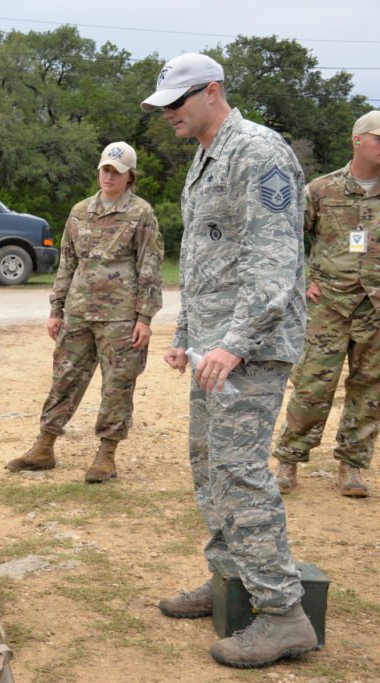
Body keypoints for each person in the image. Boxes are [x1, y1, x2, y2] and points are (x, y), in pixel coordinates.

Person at [141, 54, 318, 668]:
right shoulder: (207, 155)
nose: (168, 114)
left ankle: (282, 614)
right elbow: (203, 258)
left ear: (212, 91)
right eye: (163, 105)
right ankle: (229, 580)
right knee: (208, 465)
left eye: (177, 102)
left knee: (241, 473)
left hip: (251, 348)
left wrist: (234, 342)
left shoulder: (259, 152)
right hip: (213, 349)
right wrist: (187, 334)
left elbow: (274, 264)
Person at [5, 142, 163, 482]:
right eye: (105, 169)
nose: (109, 176)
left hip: (120, 317)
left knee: (117, 385)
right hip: (78, 313)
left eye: (117, 172)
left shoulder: (141, 214)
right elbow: (67, 263)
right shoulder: (79, 212)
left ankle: (106, 455)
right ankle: (44, 446)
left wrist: (145, 318)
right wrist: (56, 309)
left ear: (129, 176)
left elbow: (149, 266)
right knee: (64, 378)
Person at [271, 110, 380, 498]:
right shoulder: (322, 190)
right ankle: (288, 460)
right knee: (312, 386)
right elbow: (286, 238)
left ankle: (351, 467)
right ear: (358, 141)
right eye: (378, 139)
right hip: (329, 307)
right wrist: (301, 282)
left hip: (375, 311)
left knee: (369, 390)